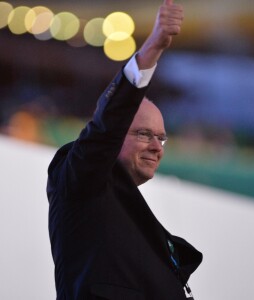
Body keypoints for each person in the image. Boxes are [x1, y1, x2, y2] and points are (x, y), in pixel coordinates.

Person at [47, 0, 202, 299]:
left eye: (162, 138)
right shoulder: (80, 180)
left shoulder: (126, 215)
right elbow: (108, 123)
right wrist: (153, 48)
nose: (157, 147)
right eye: (145, 134)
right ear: (116, 135)